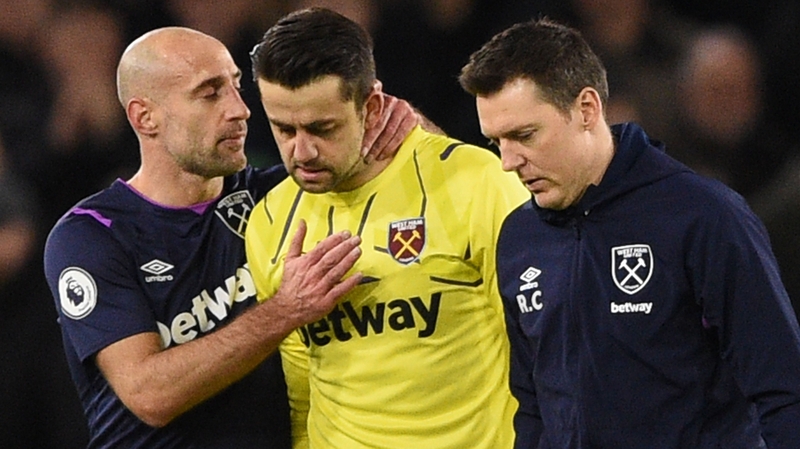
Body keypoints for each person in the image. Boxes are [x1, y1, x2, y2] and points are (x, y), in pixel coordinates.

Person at [43, 25, 417, 448]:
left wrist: (403, 121)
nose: (240, 110)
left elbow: (423, 169)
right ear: (144, 117)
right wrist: (286, 310)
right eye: (210, 93)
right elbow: (149, 394)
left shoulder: (277, 198)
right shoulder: (92, 234)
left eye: (237, 87)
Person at [458, 17, 800, 449]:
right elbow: (534, 404)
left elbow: (783, 387)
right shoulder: (520, 237)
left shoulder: (703, 217)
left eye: (524, 135)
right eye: (496, 143)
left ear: (586, 109)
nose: (508, 162)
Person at [244, 8, 529, 448]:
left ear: (372, 107)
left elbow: (538, 345)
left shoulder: (472, 182)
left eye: (322, 128)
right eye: (284, 129)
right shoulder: (270, 221)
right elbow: (302, 394)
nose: (302, 151)